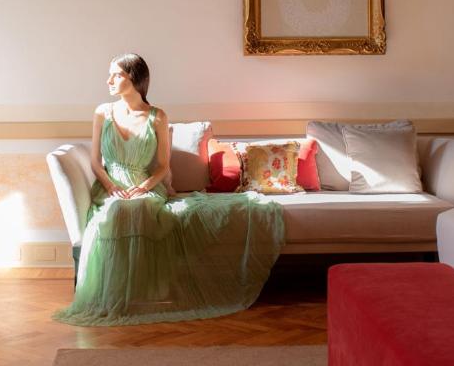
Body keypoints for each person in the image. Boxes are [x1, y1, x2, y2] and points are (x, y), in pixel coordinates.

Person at [53, 53, 285, 326]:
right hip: (111, 187)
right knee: (116, 210)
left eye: (116, 75)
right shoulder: (103, 112)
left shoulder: (157, 116)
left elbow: (162, 166)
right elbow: (94, 161)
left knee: (140, 207)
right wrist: (111, 185)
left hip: (145, 186)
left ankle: (146, 291)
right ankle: (113, 295)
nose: (109, 80)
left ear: (135, 79)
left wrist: (143, 186)